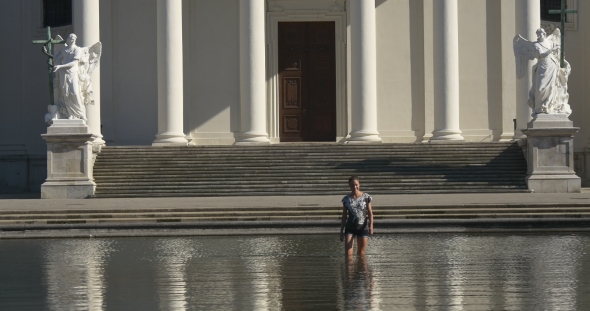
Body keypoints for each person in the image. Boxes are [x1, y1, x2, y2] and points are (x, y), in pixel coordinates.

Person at [528, 28, 571, 116]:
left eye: (541, 33)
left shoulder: (549, 42)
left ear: (544, 33)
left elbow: (557, 51)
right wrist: (552, 49)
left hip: (552, 64)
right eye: (538, 34)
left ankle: (547, 106)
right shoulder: (536, 45)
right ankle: (538, 108)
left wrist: (558, 50)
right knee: (540, 88)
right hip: (542, 66)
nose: (539, 35)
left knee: (552, 86)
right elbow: (541, 55)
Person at [53, 33, 87, 120]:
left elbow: (73, 63)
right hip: (63, 74)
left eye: (74, 37)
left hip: (72, 73)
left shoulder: (77, 49)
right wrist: (55, 60)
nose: (72, 38)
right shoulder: (64, 50)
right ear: (68, 39)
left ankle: (80, 113)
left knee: (75, 93)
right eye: (70, 37)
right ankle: (70, 113)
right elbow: (57, 58)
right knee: (66, 94)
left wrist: (60, 66)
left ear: (75, 39)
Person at [340, 176, 374, 256]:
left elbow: (370, 213)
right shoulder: (346, 199)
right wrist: (341, 230)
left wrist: (371, 226)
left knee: (361, 254)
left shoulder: (366, 197)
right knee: (348, 254)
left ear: (359, 185)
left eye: (356, 185)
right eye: (352, 185)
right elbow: (344, 216)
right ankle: (349, 268)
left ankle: (361, 268)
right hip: (350, 228)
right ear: (349, 186)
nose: (354, 187)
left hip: (362, 228)